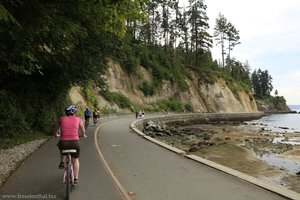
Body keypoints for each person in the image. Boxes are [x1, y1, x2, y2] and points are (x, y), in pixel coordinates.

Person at [53, 105, 86, 184]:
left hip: (63, 143)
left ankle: (62, 162)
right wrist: (83, 135)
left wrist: (55, 135)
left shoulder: (61, 119)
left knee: (60, 147)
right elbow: (83, 130)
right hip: (75, 143)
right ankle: (76, 178)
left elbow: (55, 130)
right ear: (74, 112)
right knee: (75, 160)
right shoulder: (78, 119)